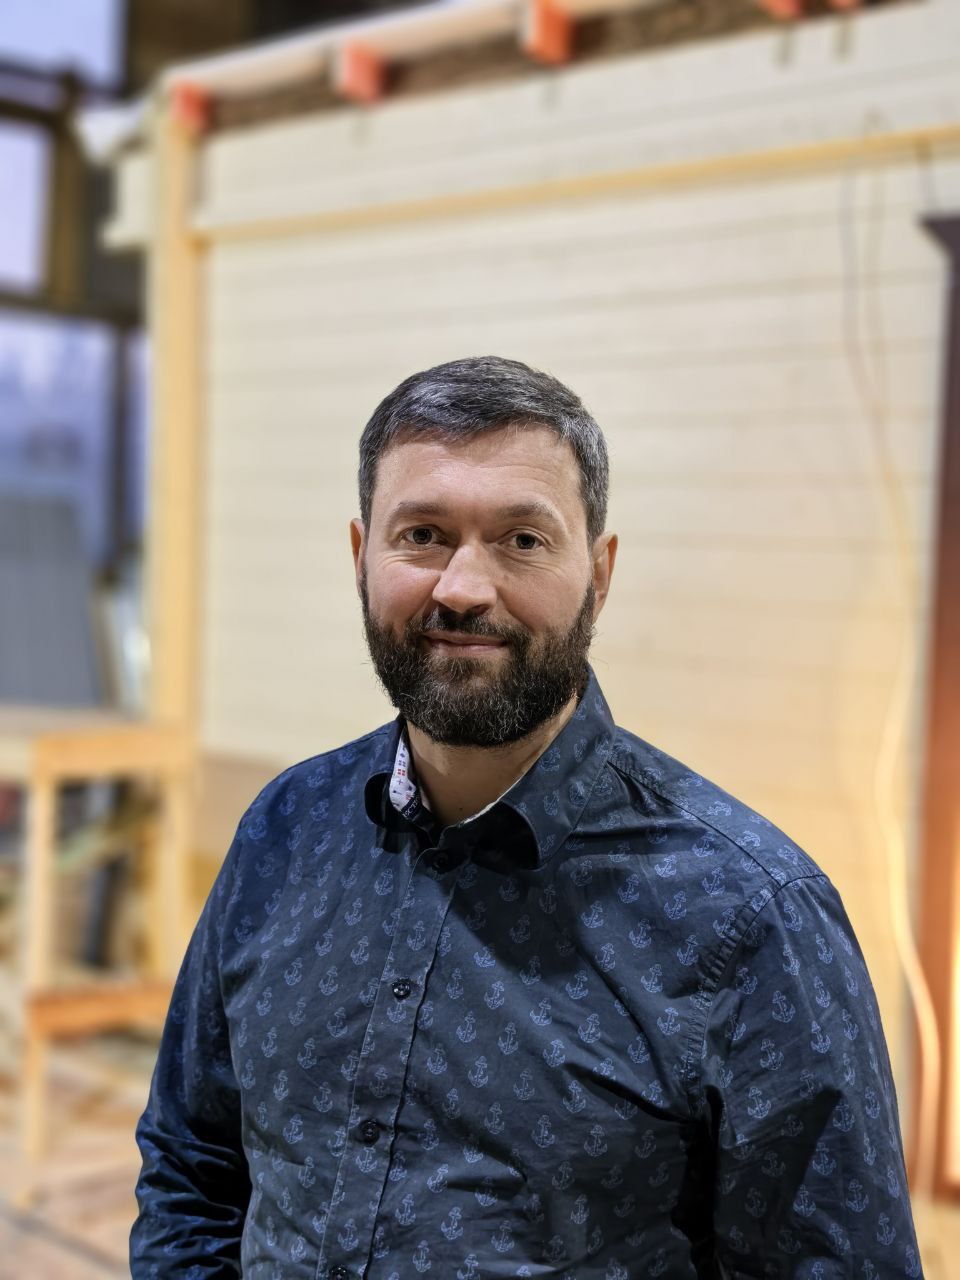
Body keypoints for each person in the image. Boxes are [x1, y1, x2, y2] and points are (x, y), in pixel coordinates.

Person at [131, 356, 922, 1279]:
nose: (464, 588)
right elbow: (192, 1166)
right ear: (360, 558)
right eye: (423, 535)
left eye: (522, 540)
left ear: (600, 575)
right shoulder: (283, 831)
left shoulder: (754, 918)